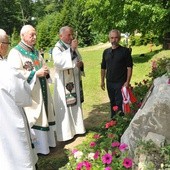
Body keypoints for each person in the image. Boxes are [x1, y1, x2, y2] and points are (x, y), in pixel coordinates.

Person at [7, 25, 56, 155]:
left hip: (42, 90)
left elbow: (43, 65)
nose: (35, 37)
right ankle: (39, 148)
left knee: (45, 114)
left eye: (35, 34)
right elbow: (15, 75)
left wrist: (46, 71)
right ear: (22, 36)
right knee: (35, 117)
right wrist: (35, 74)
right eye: (31, 35)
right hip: (31, 94)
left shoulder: (35, 51)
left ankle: (48, 145)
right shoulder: (15, 53)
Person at [0, 29, 38, 169]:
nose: (8, 46)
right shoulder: (6, 69)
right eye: (7, 42)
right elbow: (23, 97)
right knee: (17, 158)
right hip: (9, 122)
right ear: (0, 45)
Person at [52, 26, 86, 141]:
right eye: (68, 35)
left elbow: (78, 59)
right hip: (64, 84)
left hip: (74, 80)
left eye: (72, 35)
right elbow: (58, 63)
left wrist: (81, 65)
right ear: (61, 36)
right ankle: (67, 134)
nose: (71, 37)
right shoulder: (57, 48)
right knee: (66, 109)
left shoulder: (72, 46)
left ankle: (78, 129)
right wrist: (71, 49)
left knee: (75, 106)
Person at [101, 29, 133, 118]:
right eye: (112, 38)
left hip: (120, 82)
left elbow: (129, 67)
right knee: (112, 102)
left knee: (119, 103)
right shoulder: (106, 52)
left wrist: (127, 82)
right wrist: (102, 81)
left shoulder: (125, 51)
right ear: (109, 39)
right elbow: (103, 67)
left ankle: (120, 122)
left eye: (116, 38)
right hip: (109, 82)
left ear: (119, 38)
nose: (113, 40)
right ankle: (113, 120)